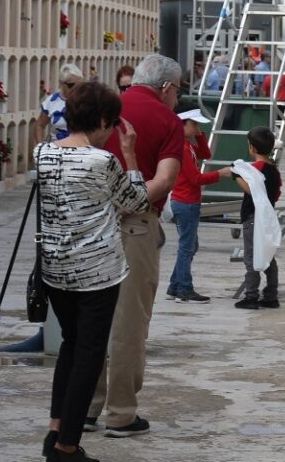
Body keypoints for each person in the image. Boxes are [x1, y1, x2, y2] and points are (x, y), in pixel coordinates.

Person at [36, 81, 151, 462]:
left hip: (55, 269)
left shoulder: (43, 154)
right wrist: (131, 154)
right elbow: (136, 201)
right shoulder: (103, 161)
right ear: (102, 120)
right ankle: (67, 446)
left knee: (70, 347)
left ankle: (56, 431)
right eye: (112, 123)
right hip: (98, 272)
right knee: (89, 354)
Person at [86, 54, 184, 437]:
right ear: (167, 88)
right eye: (178, 91)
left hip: (91, 221)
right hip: (135, 227)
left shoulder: (106, 109)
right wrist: (132, 202)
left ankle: (88, 407)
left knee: (92, 316)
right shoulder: (167, 120)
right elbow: (165, 181)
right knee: (128, 321)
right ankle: (121, 412)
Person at [165, 105, 224, 304]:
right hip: (186, 202)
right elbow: (196, 179)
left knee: (189, 246)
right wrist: (220, 174)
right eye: (194, 124)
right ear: (181, 124)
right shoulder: (181, 147)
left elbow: (205, 154)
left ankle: (175, 285)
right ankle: (184, 288)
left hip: (186, 202)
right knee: (187, 247)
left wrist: (199, 135)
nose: (197, 127)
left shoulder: (186, 144)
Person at [222, 126, 282, 310]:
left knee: (251, 257)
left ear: (252, 148)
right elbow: (277, 192)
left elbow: (253, 189)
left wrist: (234, 175)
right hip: (267, 216)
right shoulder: (274, 169)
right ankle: (271, 295)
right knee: (268, 256)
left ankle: (251, 295)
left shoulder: (255, 169)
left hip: (253, 217)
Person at [35, 64, 84, 143]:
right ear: (61, 83)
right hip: (56, 150)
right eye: (71, 85)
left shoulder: (87, 99)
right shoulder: (52, 101)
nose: (76, 88)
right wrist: (40, 148)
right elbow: (40, 125)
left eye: (79, 85)